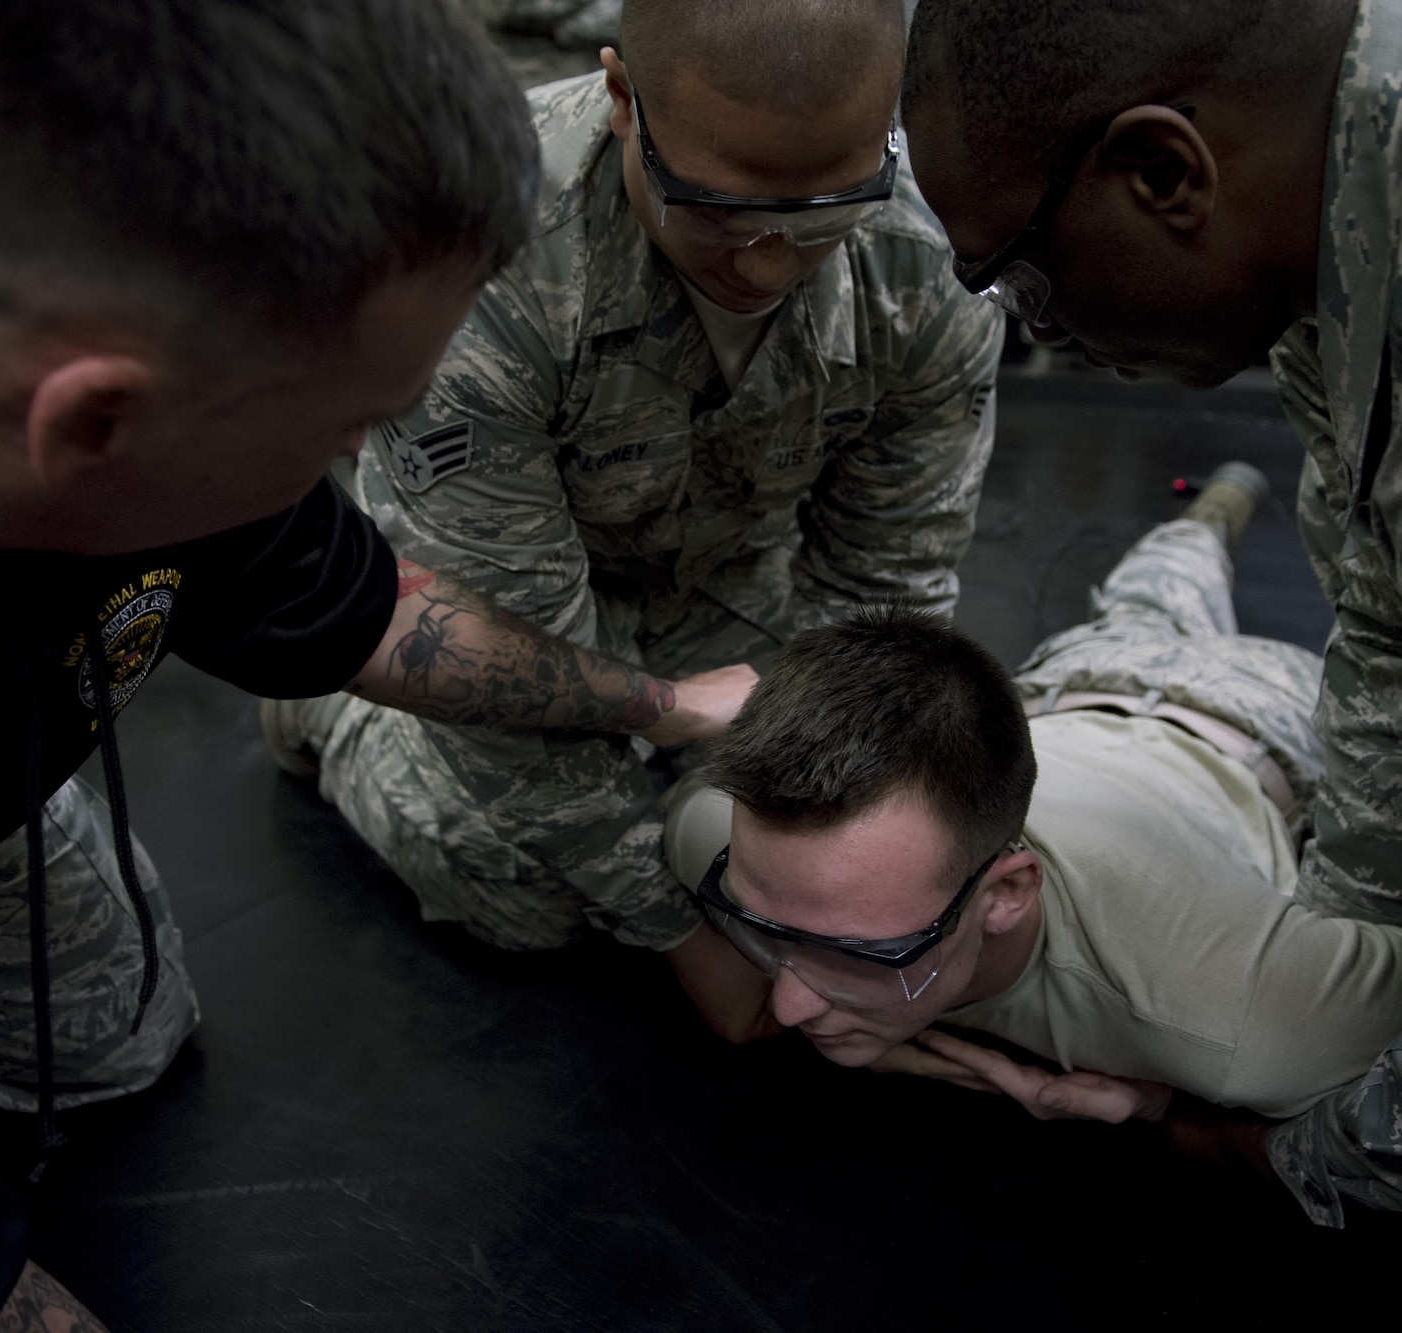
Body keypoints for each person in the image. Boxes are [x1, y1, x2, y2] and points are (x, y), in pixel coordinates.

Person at [0, 1, 759, 1328]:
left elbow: (360, 612)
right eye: (340, 431)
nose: (341, 467)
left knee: (112, 1045)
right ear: (89, 423)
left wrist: (659, 700)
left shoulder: (11, 260)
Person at [899, 0, 1402, 1326]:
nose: (1036, 323)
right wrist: (1351, 955)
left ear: (1162, 174)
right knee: (1174, 574)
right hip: (1157, 685)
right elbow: (1382, 615)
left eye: (1018, 274)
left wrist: (1284, 1150)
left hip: (1245, 714)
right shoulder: (1358, 174)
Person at [262, 0, 1004, 1027]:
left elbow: (883, 601)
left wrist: (836, 835)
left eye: (821, 213)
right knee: (524, 897)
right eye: (715, 209)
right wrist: (678, 929)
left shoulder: (928, 269)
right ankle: (332, 707)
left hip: (726, 601)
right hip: (498, 613)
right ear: (622, 99)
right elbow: (511, 649)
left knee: (823, 859)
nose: (762, 263)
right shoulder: (478, 261)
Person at [664, 467, 1402, 1121]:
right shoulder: (726, 842)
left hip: (1255, 712)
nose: (791, 1001)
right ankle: (1218, 505)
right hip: (1074, 678)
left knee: (1399, 663)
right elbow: (691, 821)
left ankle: (1230, 502)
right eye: (764, 926)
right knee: (1155, 581)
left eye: (858, 952)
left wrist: (1173, 1119)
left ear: (1006, 892)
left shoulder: (1253, 1013)